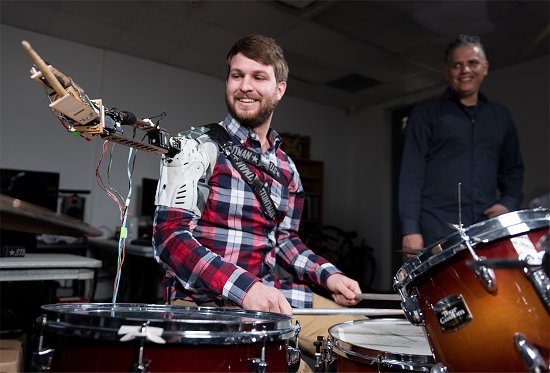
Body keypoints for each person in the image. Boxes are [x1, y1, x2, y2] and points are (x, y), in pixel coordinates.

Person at [152, 34, 362, 362]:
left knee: (362, 338)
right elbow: (169, 238)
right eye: (237, 75)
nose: (245, 86)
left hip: (272, 294)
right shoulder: (193, 146)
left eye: (258, 77)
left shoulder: (287, 168)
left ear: (279, 89)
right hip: (205, 305)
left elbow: (286, 240)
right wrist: (245, 288)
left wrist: (328, 274)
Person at [399, 34, 524, 257]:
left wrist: (509, 201)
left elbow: (513, 168)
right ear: (447, 72)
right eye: (457, 65)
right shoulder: (426, 112)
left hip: (485, 228)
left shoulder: (501, 117)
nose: (465, 70)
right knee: (437, 292)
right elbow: (411, 171)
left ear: (485, 68)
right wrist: (410, 228)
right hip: (435, 228)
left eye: (472, 63)